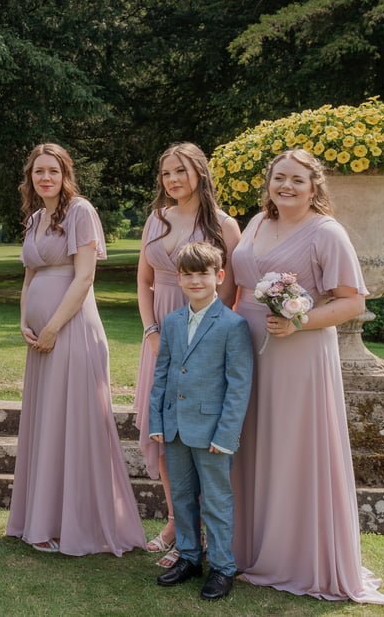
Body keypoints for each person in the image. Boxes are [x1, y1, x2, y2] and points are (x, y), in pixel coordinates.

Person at [231, 149, 384, 603]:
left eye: (297, 180)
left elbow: (353, 303)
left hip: (297, 353)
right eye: (280, 178)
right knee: (251, 442)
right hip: (245, 348)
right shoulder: (256, 223)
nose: (287, 187)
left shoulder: (327, 233)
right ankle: (248, 548)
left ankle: (295, 556)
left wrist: (300, 321)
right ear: (269, 182)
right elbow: (237, 285)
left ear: (315, 185)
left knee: (292, 447)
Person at [4, 143, 146, 557]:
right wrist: (24, 320)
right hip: (40, 336)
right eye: (37, 172)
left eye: (52, 170)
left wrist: (51, 327)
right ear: (30, 177)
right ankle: (41, 518)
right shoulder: (34, 218)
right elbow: (30, 276)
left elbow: (84, 279)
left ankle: (77, 523)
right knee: (47, 420)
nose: (44, 178)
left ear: (66, 174)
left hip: (72, 329)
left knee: (74, 422)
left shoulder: (81, 212)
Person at [134, 142, 242, 568]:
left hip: (204, 336)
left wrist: (207, 344)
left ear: (199, 172)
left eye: (181, 171)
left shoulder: (223, 225)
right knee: (163, 430)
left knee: (195, 425)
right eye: (166, 174)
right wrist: (151, 332)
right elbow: (143, 280)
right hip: (159, 330)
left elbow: (231, 291)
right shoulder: (156, 220)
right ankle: (177, 522)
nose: (173, 180)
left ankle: (201, 532)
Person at [148, 242, 253, 600]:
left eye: (203, 274)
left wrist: (226, 434)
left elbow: (239, 386)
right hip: (175, 427)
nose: (195, 280)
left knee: (216, 500)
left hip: (211, 432)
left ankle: (223, 566)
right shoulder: (173, 322)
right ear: (178, 278)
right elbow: (161, 374)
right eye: (188, 274)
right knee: (181, 496)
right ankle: (190, 557)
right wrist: (158, 421)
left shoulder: (233, 325)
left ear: (218, 277)